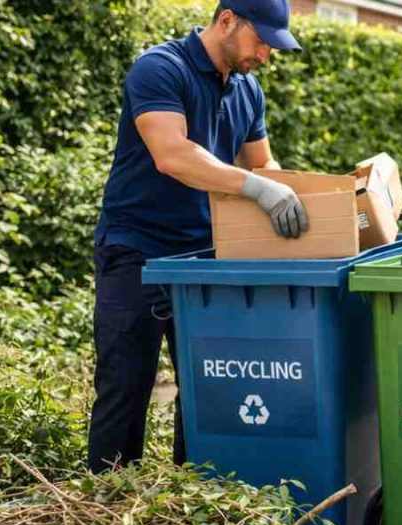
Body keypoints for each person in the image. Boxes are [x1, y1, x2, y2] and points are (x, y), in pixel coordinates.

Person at [89, 0, 307, 473]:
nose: (265, 56)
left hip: (207, 259)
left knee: (208, 386)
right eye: (261, 41)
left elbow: (262, 163)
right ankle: (106, 504)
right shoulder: (160, 69)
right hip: (137, 253)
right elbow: (173, 155)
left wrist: (287, 191)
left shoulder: (248, 90)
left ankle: (192, 496)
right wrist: (256, 187)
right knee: (125, 385)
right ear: (227, 20)